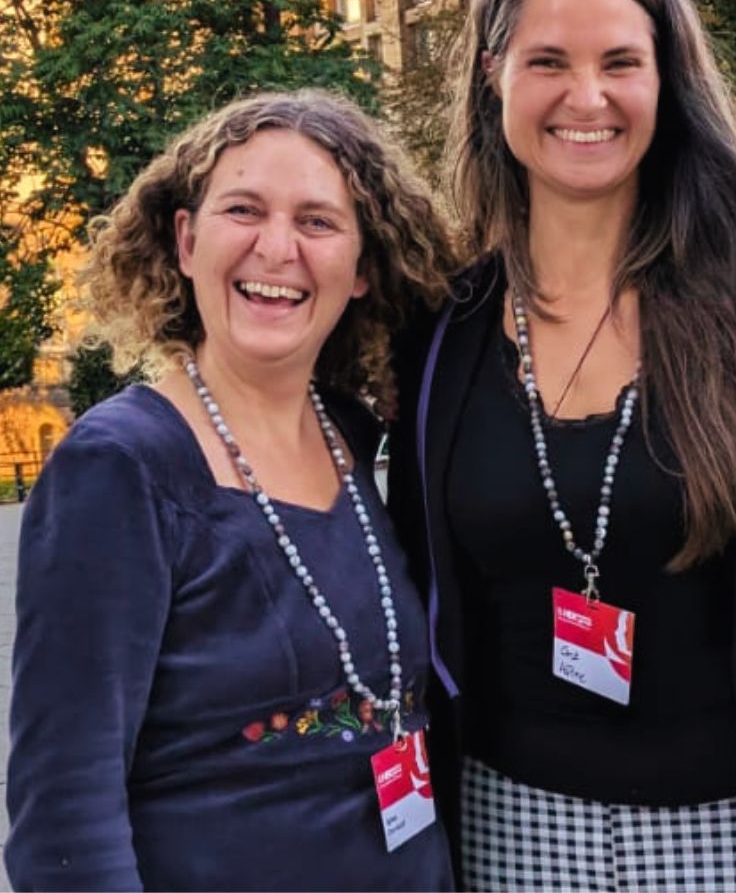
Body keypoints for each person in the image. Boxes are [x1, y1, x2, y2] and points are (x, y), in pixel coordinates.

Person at [389, 0, 736, 891]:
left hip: (725, 831)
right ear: (492, 73)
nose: (586, 96)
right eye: (548, 60)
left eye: (620, 62)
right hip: (505, 824)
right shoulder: (446, 332)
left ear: (666, 81)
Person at [6, 90, 457, 892]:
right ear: (185, 241)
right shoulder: (122, 468)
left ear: (361, 270)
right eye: (243, 210)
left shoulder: (353, 437)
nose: (276, 249)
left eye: (317, 222)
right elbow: (64, 812)